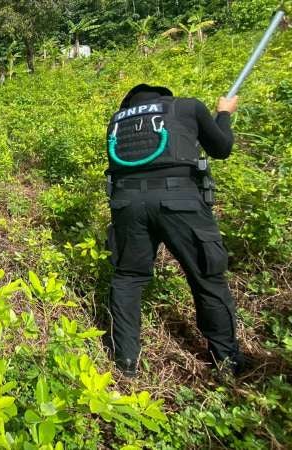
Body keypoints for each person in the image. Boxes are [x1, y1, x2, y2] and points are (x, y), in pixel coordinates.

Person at [104, 83, 245, 377]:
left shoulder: (118, 120)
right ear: (163, 96)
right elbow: (222, 148)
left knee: (128, 278)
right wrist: (224, 113)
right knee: (207, 278)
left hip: (127, 203)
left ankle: (126, 363)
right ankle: (226, 363)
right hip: (180, 200)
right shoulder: (187, 106)